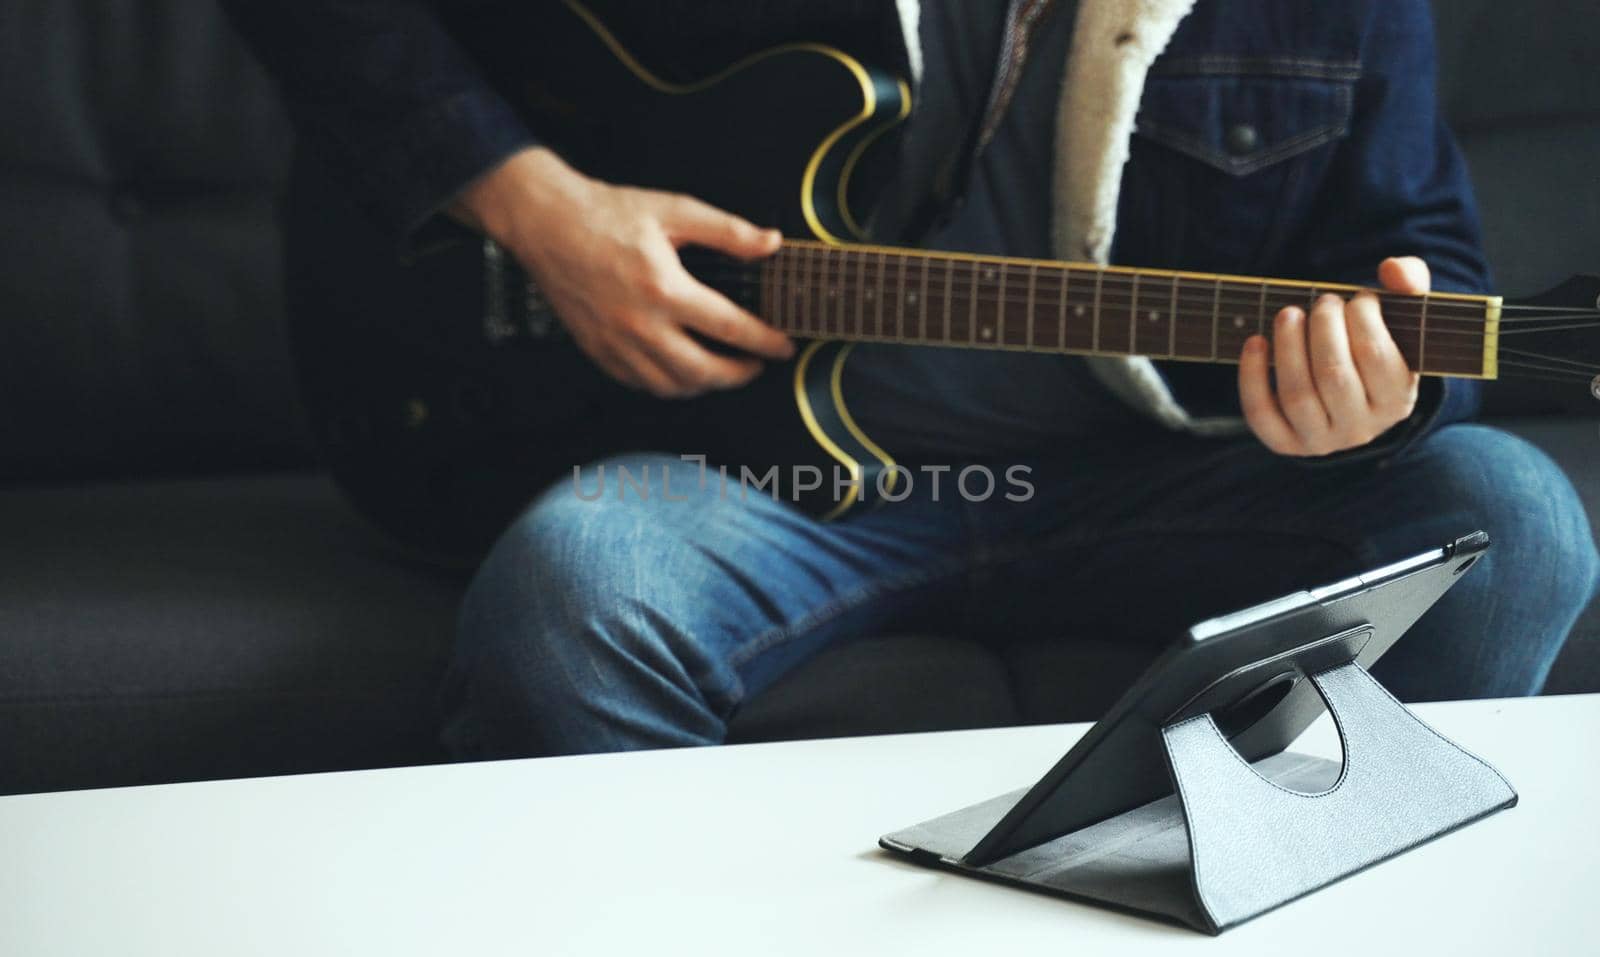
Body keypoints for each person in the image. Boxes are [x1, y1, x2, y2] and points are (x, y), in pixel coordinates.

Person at [227, 0, 1598, 759]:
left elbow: (1420, 255)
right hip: (770, 479)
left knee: (1513, 520)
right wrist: (535, 205)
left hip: (1162, 482)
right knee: (573, 589)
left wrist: (1380, 390)